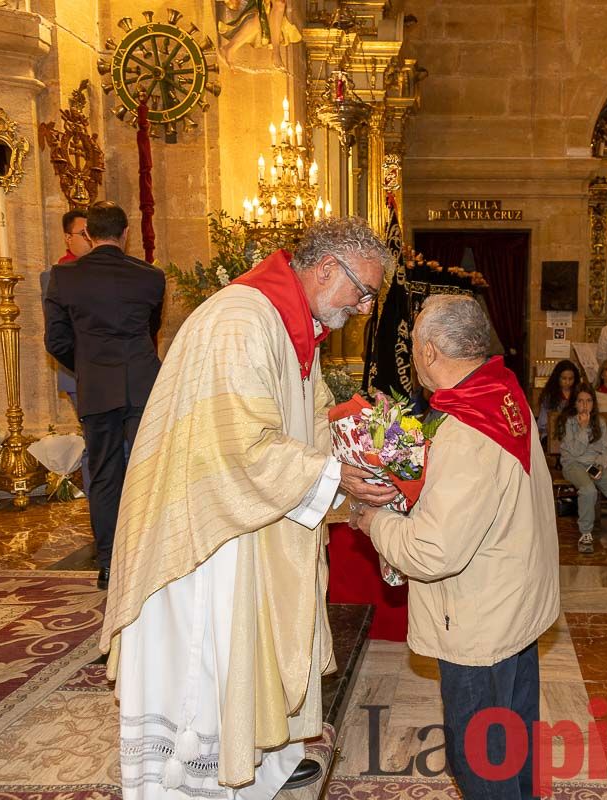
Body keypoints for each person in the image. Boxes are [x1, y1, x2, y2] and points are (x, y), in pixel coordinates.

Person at [98, 216, 397, 800]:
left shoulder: (289, 322)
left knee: (251, 644)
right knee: (213, 656)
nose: (364, 307)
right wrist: (338, 476)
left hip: (250, 515)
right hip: (210, 531)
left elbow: (303, 422)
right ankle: (196, 776)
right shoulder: (242, 320)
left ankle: (267, 760)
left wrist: (354, 448)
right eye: (361, 289)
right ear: (324, 268)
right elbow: (240, 444)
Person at [351, 295, 560, 800]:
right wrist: (399, 434)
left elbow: (432, 550)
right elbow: (473, 482)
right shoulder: (500, 392)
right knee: (515, 742)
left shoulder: (467, 429)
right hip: (514, 601)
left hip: (477, 619)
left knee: (482, 764)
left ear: (427, 352)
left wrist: (372, 520)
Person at [44, 202, 164, 589]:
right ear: (125, 234)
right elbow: (150, 330)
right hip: (143, 383)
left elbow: (56, 340)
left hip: (97, 386)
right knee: (149, 469)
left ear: (88, 234)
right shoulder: (151, 277)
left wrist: (90, 366)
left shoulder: (64, 277)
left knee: (106, 474)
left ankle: (111, 562)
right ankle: (154, 557)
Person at [40, 209, 93, 490]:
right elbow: (59, 336)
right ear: (67, 238)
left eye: (91, 233)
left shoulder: (100, 273)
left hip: (104, 371)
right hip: (78, 371)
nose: (88, 239)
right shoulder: (58, 276)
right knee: (94, 440)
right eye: (82, 233)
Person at [556, 385, 607, 554]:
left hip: (594, 464)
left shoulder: (600, 422)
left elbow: (605, 449)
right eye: (580, 401)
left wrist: (599, 465)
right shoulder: (568, 422)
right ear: (574, 403)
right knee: (588, 490)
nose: (585, 405)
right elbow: (575, 452)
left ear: (594, 403)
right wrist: (584, 428)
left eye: (589, 401)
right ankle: (585, 533)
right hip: (573, 464)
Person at [536, 359, 578, 439]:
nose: (567, 382)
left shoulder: (579, 394)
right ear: (557, 378)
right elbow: (542, 422)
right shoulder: (549, 396)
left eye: (571, 379)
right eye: (564, 378)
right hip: (552, 435)